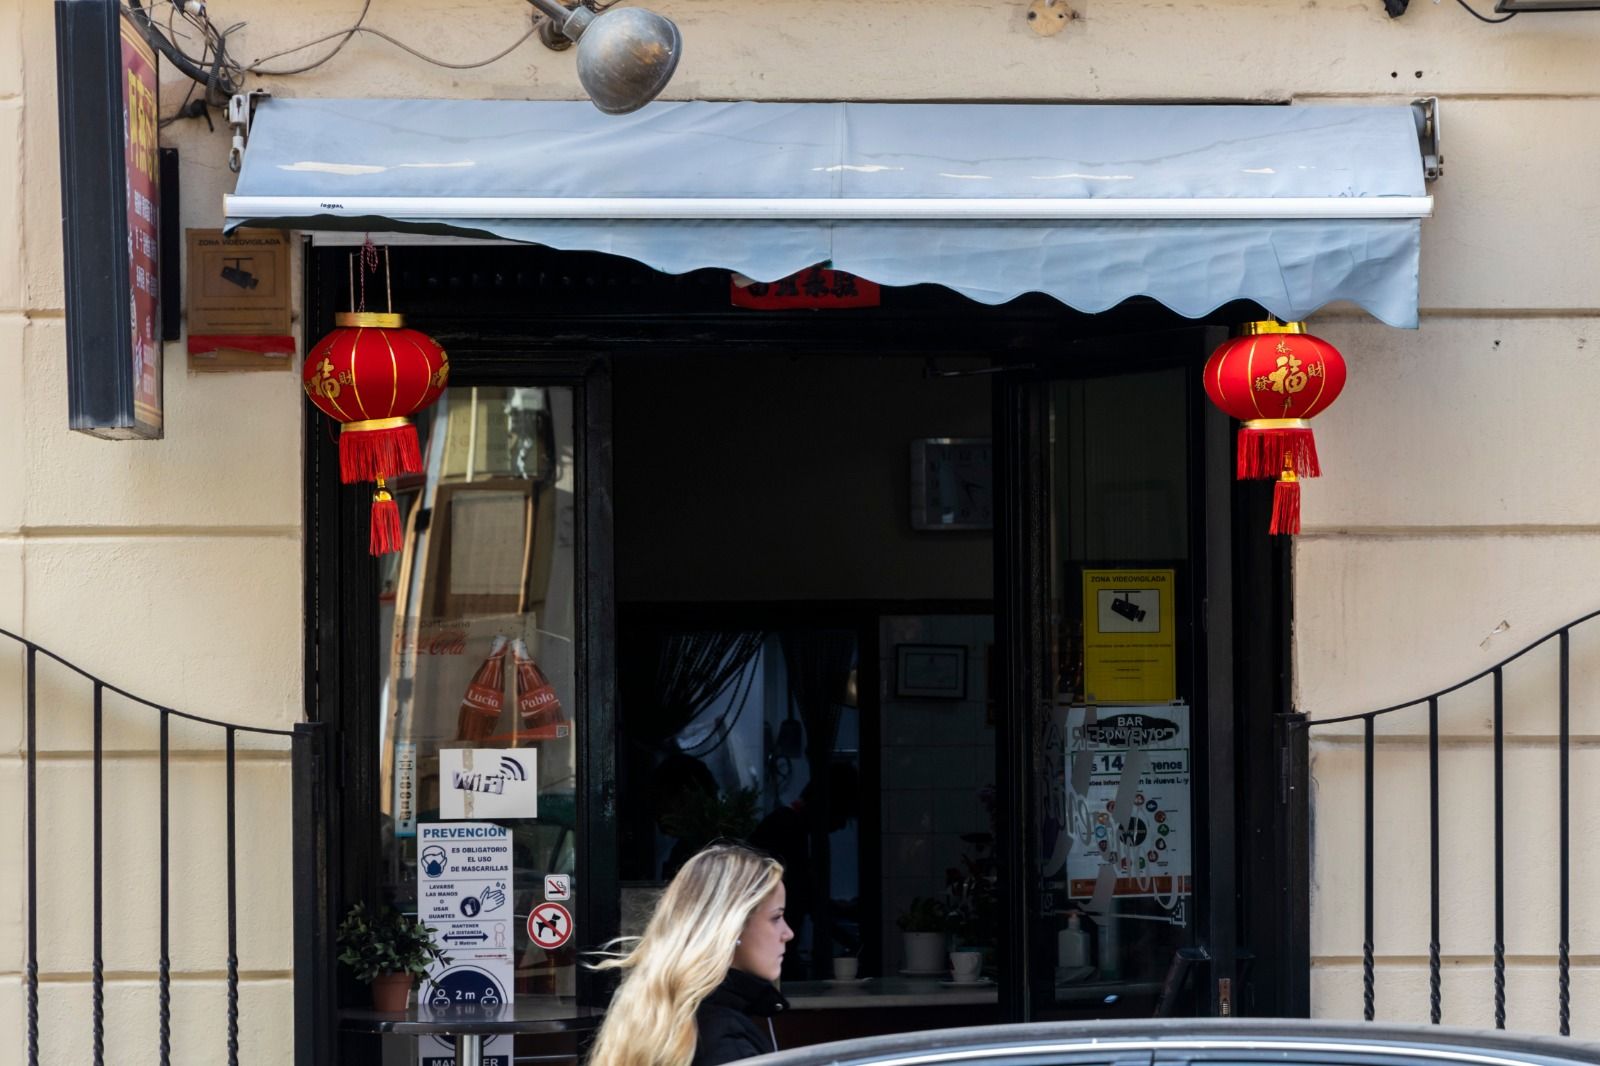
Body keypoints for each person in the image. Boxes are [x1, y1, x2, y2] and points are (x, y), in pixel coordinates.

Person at [588, 843, 796, 1066]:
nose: (788, 933)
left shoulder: (654, 1009)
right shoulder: (725, 1042)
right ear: (731, 926)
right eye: (775, 918)